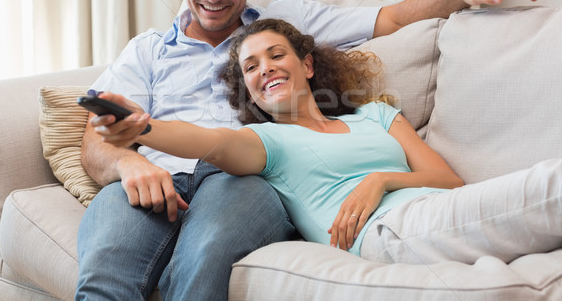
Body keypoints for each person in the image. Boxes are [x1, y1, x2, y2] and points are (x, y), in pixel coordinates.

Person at [76, 0, 538, 301]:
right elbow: (96, 140)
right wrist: (129, 160)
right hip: (155, 174)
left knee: (203, 261)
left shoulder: (288, 23)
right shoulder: (148, 50)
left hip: (240, 178)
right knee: (103, 278)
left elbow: (392, 18)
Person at [90, 18, 561, 264]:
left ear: (308, 66)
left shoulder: (375, 115)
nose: (266, 68)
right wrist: (143, 127)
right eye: (251, 67)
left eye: (277, 55)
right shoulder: (265, 140)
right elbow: (208, 143)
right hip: (384, 235)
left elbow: (450, 181)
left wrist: (380, 180)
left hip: (434, 212)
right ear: (246, 88)